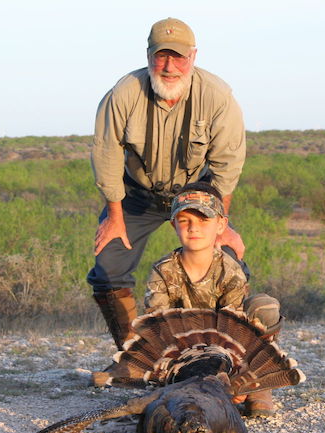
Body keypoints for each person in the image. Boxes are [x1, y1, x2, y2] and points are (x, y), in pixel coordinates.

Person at [86, 18, 247, 353]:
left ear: (193, 56)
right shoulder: (124, 93)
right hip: (136, 195)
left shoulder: (217, 95)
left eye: (178, 57)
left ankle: (224, 360)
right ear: (148, 56)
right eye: (161, 57)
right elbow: (106, 156)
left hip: (195, 195)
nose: (170, 66)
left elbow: (227, 165)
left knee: (230, 260)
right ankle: (138, 360)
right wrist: (114, 216)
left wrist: (222, 224)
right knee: (106, 270)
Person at [143, 182, 283, 416]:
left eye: (203, 220)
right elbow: (157, 328)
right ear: (173, 225)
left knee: (264, 307)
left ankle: (257, 385)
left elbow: (234, 335)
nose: (193, 228)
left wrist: (233, 378)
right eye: (185, 220)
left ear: (221, 225)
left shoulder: (230, 270)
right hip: (183, 352)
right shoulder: (163, 271)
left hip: (224, 350)